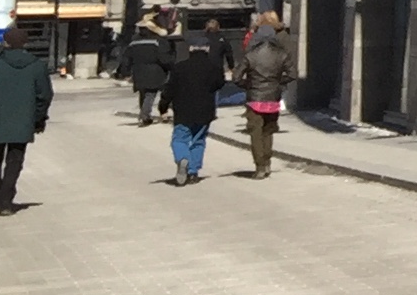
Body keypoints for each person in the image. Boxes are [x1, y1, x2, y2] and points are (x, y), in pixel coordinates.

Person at [0, 23, 52, 215]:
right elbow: (45, 96)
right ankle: (6, 202)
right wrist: (39, 119)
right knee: (15, 161)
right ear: (25, 43)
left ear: (5, 43)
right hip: (23, 122)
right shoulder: (37, 67)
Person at [159, 25, 224, 186]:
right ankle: (193, 172)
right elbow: (219, 84)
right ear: (207, 49)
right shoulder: (214, 68)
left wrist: (163, 106)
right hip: (205, 110)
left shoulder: (179, 68)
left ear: (191, 49)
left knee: (180, 139)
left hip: (183, 110)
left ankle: (183, 159)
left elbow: (170, 89)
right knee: (199, 140)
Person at [234, 11, 294, 177]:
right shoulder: (281, 55)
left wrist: (248, 85)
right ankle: (267, 162)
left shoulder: (251, 55)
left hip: (255, 97)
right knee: (269, 131)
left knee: (256, 132)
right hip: (273, 97)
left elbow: (236, 77)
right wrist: (278, 83)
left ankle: (259, 165)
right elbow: (292, 74)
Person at [120, 20, 172, 127]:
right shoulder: (158, 41)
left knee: (143, 93)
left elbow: (126, 58)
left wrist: (125, 72)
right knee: (150, 94)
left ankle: (144, 115)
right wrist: (170, 67)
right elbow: (164, 58)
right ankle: (144, 116)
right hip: (155, 71)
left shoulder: (133, 42)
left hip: (138, 71)